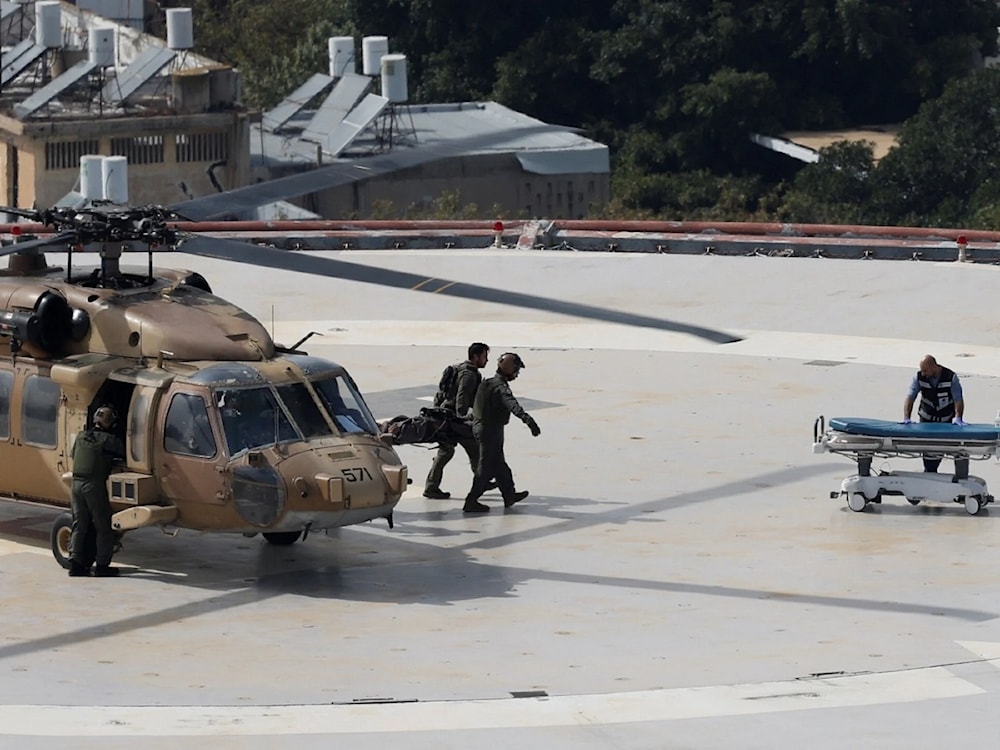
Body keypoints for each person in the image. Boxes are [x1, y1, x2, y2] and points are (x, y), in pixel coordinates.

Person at [463, 352, 541, 513]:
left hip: (483, 428)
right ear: (509, 368)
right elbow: (513, 405)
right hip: (490, 431)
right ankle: (471, 501)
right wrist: (528, 420)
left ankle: (509, 495)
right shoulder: (500, 387)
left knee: (500, 466)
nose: (517, 374)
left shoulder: (488, 382)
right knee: (485, 469)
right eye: (516, 370)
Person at [424, 342, 491, 499]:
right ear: (475, 357)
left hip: (444, 416)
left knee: (450, 450)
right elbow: (462, 397)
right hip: (453, 420)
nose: (486, 360)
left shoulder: (458, 368)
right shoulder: (469, 374)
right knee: (468, 448)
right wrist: (463, 419)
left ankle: (432, 487)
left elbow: (441, 393)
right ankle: (432, 487)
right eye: (484, 356)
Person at [68, 405, 126, 577]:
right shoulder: (108, 440)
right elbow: (124, 452)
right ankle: (102, 565)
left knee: (79, 524)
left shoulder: (81, 436)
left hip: (76, 484)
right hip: (93, 485)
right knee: (103, 526)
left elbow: (74, 455)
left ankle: (76, 564)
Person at [903, 354, 965, 473]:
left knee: (938, 450)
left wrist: (958, 418)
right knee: (928, 452)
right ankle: (929, 470)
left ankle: (931, 470)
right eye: (922, 370)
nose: (923, 373)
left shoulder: (950, 377)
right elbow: (910, 397)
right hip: (926, 419)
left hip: (944, 420)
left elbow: (958, 399)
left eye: (925, 370)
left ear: (934, 367)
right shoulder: (919, 377)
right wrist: (907, 417)